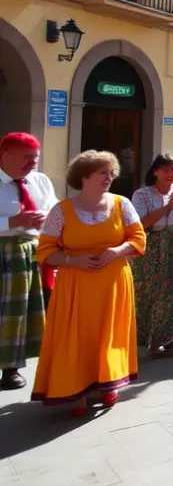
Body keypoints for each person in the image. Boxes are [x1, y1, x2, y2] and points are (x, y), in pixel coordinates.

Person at [33, 151, 146, 412]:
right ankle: (75, 388)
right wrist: (74, 261)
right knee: (77, 337)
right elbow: (45, 250)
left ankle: (108, 383)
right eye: (103, 173)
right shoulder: (61, 210)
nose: (110, 177)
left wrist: (116, 251)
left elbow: (138, 239)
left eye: (111, 172)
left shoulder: (122, 204)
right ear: (84, 176)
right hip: (75, 286)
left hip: (114, 283)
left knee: (110, 334)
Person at [0, 132, 55, 391]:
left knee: (22, 313)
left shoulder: (39, 181)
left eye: (36, 157)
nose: (33, 162)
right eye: (27, 157)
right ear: (5, 155)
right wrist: (12, 222)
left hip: (33, 251)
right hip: (3, 250)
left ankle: (11, 368)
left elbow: (54, 210)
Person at [131, 154, 173, 358]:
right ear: (156, 172)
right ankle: (146, 336)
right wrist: (168, 206)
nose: (171, 174)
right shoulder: (142, 195)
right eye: (166, 169)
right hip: (151, 243)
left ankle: (168, 337)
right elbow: (142, 223)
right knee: (147, 291)